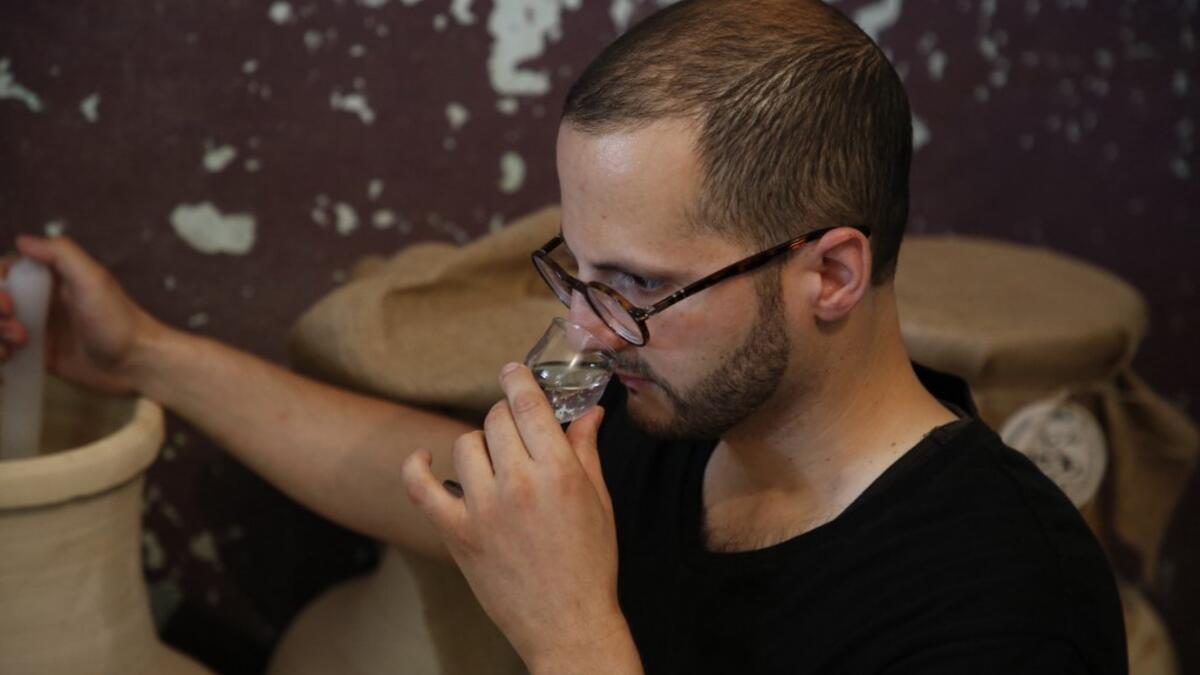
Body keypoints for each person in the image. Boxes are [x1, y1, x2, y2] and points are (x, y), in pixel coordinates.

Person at [0, 0, 1127, 673]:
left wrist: (573, 633)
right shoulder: (689, 408)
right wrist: (139, 353)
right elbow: (431, 485)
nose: (587, 326)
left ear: (829, 271)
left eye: (636, 285)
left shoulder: (1004, 602)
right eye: (576, 273)